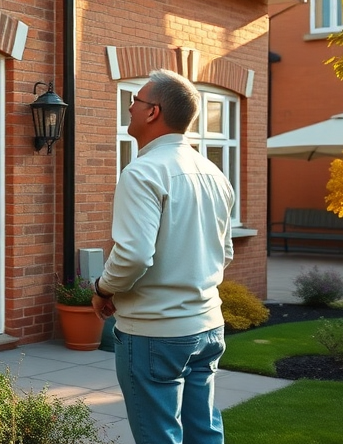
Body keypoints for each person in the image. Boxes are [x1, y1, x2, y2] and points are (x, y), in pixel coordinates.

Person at [92, 68, 234, 444]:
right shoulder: (214, 173)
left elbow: (135, 255)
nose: (129, 108)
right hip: (207, 327)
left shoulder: (142, 172)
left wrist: (104, 289)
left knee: (159, 436)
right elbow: (226, 252)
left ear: (153, 112)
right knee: (204, 432)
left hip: (155, 332)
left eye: (134, 101)